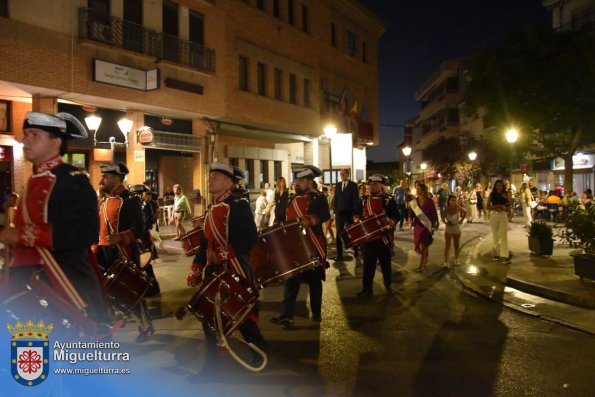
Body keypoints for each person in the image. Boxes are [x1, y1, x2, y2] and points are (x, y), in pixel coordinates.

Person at [0, 111, 111, 333]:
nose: (25, 140)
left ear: (56, 141)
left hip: (60, 283)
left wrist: (22, 235)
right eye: (25, 134)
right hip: (26, 279)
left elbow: (86, 231)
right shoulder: (32, 181)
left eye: (34, 134)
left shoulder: (72, 179)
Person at [186, 163, 267, 369]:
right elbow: (206, 243)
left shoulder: (238, 205)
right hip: (214, 270)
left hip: (234, 267)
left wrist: (222, 254)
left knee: (242, 315)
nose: (210, 180)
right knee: (209, 315)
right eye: (210, 176)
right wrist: (197, 266)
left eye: (216, 177)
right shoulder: (212, 208)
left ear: (228, 182)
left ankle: (259, 349)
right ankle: (211, 367)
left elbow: (250, 238)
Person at [97, 162, 154, 342]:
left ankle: (145, 326)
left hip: (124, 251)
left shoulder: (131, 200)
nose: (102, 180)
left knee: (132, 291)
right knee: (107, 292)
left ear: (116, 178)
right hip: (103, 251)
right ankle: (108, 328)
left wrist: (122, 236)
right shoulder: (105, 200)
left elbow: (139, 228)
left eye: (106, 177)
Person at [271, 165, 330, 326]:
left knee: (314, 280)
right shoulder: (290, 198)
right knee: (291, 281)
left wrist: (310, 220)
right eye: (297, 180)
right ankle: (286, 316)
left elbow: (325, 214)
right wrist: (277, 222)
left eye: (300, 180)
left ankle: (316, 313)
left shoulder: (318, 198)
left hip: (311, 244)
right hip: (293, 246)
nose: (297, 183)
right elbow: (281, 214)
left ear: (310, 182)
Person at [355, 174, 399, 297]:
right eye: (370, 184)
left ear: (381, 185)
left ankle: (388, 282)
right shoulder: (363, 200)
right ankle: (367, 289)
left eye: (375, 184)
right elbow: (356, 214)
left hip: (383, 238)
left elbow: (396, 216)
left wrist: (392, 222)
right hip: (368, 239)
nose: (372, 186)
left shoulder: (388, 200)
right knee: (368, 266)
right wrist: (356, 218)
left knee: (385, 264)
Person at [409, 183, 438, 272]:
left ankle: (421, 265)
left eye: (418, 189)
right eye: (416, 189)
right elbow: (410, 214)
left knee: (424, 245)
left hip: (427, 225)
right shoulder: (414, 202)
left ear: (423, 190)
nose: (417, 190)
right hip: (418, 226)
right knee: (419, 244)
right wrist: (410, 221)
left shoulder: (430, 201)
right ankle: (425, 257)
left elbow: (434, 213)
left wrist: (435, 223)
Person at [333, 168, 360, 261]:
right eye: (341, 174)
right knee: (338, 234)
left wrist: (355, 213)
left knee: (352, 233)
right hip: (339, 214)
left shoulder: (353, 185)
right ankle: (339, 255)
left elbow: (356, 200)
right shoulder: (338, 185)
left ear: (348, 175)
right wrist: (335, 212)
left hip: (350, 213)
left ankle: (356, 250)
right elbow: (335, 199)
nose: (342, 176)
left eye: (344, 174)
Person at [486, 179, 512, 264]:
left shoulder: (506, 194)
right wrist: (497, 206)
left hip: (503, 215)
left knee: (504, 236)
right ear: (495, 186)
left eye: (501, 185)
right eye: (497, 185)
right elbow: (487, 207)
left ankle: (505, 256)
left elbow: (509, 207)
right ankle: (495, 254)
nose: (499, 187)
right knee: (495, 235)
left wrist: (504, 208)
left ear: (503, 186)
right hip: (494, 215)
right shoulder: (492, 194)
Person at [442, 194, 466, 267]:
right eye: (452, 200)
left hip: (456, 227)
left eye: (455, 200)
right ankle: (446, 261)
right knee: (447, 245)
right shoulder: (446, 209)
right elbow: (443, 218)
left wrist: (461, 220)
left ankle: (456, 259)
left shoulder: (458, 208)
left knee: (456, 245)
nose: (454, 201)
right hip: (448, 228)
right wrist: (446, 222)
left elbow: (465, 212)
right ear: (449, 201)